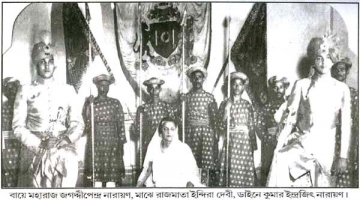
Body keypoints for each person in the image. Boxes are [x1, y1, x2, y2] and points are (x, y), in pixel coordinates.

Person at [266, 34, 352, 187]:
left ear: (333, 57)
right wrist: (279, 145)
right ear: (313, 59)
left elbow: (346, 124)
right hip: (304, 142)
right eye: (319, 57)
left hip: (326, 145)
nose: (323, 62)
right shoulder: (302, 85)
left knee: (320, 184)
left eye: (327, 56)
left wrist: (343, 156)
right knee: (284, 161)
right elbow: (290, 118)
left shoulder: (342, 89)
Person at [12, 32, 84, 187]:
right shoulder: (25, 90)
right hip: (35, 149)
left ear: (55, 64)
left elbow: (78, 123)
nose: (46, 65)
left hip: (62, 146)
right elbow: (17, 127)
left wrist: (65, 140)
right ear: (36, 64)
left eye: (50, 61)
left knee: (68, 168)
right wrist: (40, 144)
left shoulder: (68, 90)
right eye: (42, 62)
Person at [82, 74, 127, 187]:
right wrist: (88, 105)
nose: (104, 89)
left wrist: (121, 142)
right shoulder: (92, 103)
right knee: (96, 176)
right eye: (102, 86)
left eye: (107, 86)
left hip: (112, 143)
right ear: (97, 87)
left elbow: (120, 124)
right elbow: (87, 124)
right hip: (96, 142)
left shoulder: (115, 103)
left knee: (111, 176)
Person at [179, 65, 219, 186]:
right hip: (191, 132)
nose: (197, 80)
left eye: (200, 77)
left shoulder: (209, 98)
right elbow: (181, 118)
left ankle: (205, 185)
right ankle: (193, 184)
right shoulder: (186, 97)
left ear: (203, 79)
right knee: (191, 159)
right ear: (191, 80)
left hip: (206, 132)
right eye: (194, 78)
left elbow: (214, 119)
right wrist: (180, 103)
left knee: (206, 160)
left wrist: (215, 135)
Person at [136, 117, 202, 187]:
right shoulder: (154, 148)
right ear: (160, 132)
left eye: (172, 129)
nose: (169, 132)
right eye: (165, 129)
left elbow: (193, 173)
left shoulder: (184, 148)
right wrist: (138, 186)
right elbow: (147, 170)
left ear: (175, 131)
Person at [218, 72, 257, 187]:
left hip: (244, 142)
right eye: (234, 84)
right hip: (231, 140)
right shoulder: (224, 103)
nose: (237, 87)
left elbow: (251, 125)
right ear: (230, 86)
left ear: (243, 87)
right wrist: (226, 110)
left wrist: (253, 143)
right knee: (231, 167)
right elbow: (220, 126)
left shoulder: (247, 105)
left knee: (243, 169)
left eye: (240, 84)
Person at [256, 76, 290, 186]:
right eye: (275, 87)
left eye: (281, 87)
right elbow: (259, 127)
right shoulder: (266, 108)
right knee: (267, 171)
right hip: (269, 145)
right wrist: (269, 138)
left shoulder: (290, 106)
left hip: (286, 143)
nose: (278, 90)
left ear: (285, 89)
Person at [331, 57, 358, 187]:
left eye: (342, 70)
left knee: (345, 172)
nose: (339, 73)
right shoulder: (328, 92)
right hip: (331, 137)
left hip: (348, 138)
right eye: (336, 70)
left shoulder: (354, 93)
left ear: (347, 72)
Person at [135, 77, 174, 167]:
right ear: (148, 90)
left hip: (163, 140)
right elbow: (138, 130)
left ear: (160, 89)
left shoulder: (167, 107)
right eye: (151, 88)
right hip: (148, 140)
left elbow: (173, 127)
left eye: (156, 88)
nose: (154, 91)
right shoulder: (143, 108)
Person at [2, 77, 21, 187]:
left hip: (23, 144)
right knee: (9, 172)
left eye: (15, 88)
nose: (12, 91)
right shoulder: (2, 107)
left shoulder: (25, 107)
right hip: (7, 145)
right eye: (9, 88)